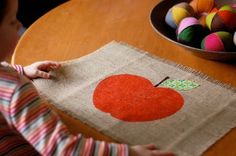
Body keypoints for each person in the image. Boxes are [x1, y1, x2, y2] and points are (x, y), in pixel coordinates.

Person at [0, 0, 175, 155]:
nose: (19, 25)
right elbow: (64, 149)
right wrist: (129, 153)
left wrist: (20, 70)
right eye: (12, 21)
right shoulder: (16, 91)